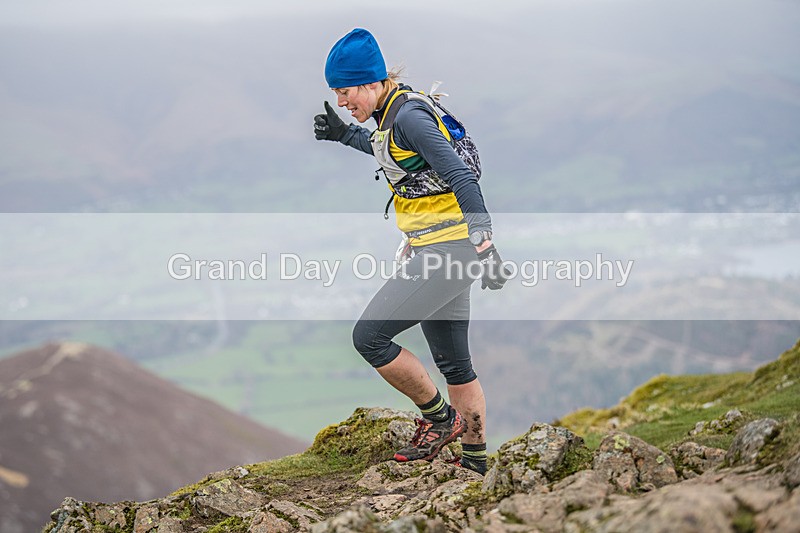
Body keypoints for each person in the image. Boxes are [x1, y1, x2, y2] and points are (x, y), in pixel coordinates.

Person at [313, 28, 509, 475]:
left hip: (450, 250)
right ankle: (474, 466)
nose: (343, 101)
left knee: (370, 338)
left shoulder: (409, 117)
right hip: (444, 249)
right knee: (456, 365)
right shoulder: (395, 112)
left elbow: (460, 176)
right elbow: (396, 154)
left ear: (369, 82)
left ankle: (440, 421)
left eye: (345, 92)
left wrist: (483, 238)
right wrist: (345, 136)